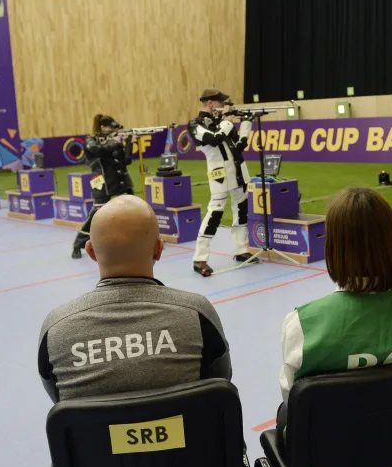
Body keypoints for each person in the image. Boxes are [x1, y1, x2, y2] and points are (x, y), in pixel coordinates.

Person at [277, 187, 392, 467]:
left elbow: (292, 399)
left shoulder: (302, 324)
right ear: (391, 242)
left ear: (333, 248)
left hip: (326, 464)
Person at [39, 195, 232, 403]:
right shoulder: (197, 313)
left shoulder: (56, 328)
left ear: (91, 252)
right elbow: (220, 384)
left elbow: (60, 400)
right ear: (159, 249)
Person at [190, 89, 253, 276]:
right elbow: (213, 139)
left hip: (239, 173)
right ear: (210, 103)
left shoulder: (222, 122)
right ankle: (200, 258)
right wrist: (227, 121)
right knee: (214, 215)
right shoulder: (196, 123)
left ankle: (242, 250)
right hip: (220, 176)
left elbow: (239, 146)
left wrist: (246, 124)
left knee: (241, 211)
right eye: (221, 103)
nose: (224, 106)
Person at [71, 114, 134, 259]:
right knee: (97, 213)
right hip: (101, 180)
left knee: (130, 210)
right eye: (110, 127)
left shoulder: (114, 140)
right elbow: (99, 151)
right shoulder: (91, 140)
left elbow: (126, 160)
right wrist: (115, 142)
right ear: (102, 127)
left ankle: (131, 240)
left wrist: (128, 143)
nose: (113, 130)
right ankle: (78, 243)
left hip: (120, 179)